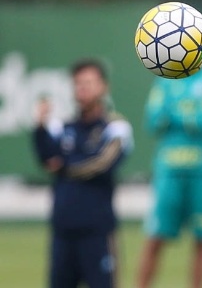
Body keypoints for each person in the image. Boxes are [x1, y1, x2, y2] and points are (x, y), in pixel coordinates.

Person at [32, 58, 134, 288]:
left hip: (96, 232)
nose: (83, 89)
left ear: (103, 87)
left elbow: (101, 164)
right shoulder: (63, 127)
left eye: (89, 82)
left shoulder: (115, 127)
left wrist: (66, 166)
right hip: (63, 231)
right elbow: (46, 158)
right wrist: (39, 126)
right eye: (78, 83)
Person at [136, 55, 202, 288]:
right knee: (155, 236)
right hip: (169, 169)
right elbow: (152, 120)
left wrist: (176, 111)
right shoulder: (166, 76)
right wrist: (189, 113)